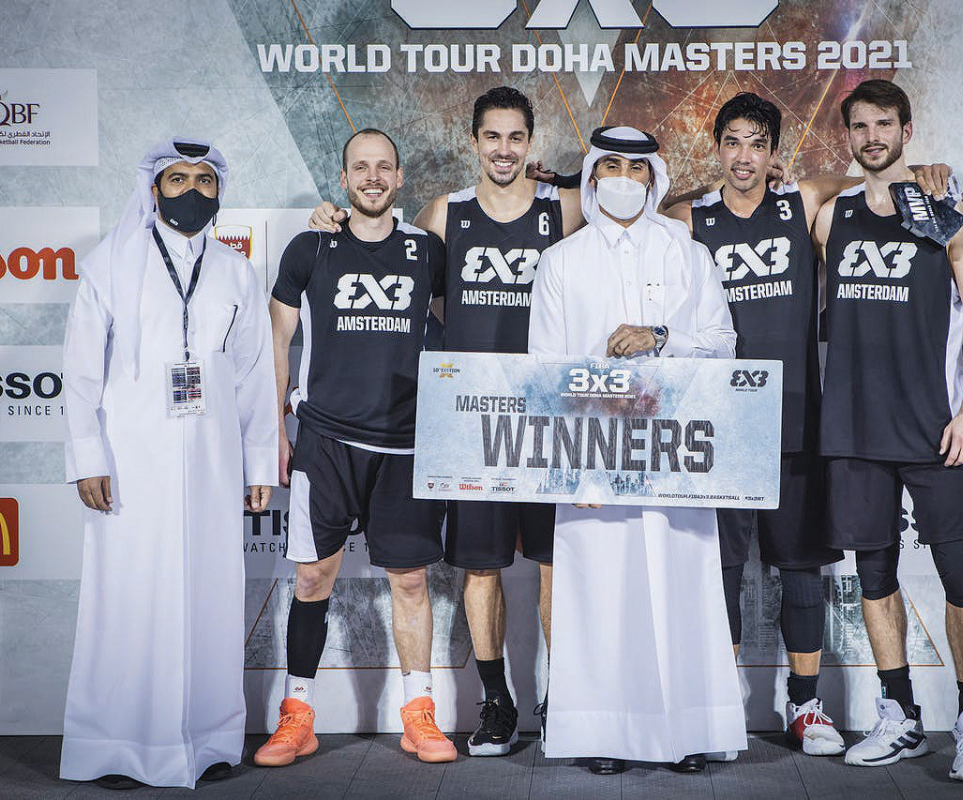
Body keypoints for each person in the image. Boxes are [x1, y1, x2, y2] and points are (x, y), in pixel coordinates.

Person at [664, 92, 952, 758]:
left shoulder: (803, 202)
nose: (743, 156)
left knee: (799, 571)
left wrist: (927, 172)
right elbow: (642, 208)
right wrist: (702, 184)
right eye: (731, 142)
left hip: (796, 417)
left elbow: (873, 177)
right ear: (718, 149)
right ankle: (718, 706)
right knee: (724, 573)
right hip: (719, 426)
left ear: (774, 153)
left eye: (756, 143)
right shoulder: (692, 218)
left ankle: (803, 703)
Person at [308, 87, 584, 755]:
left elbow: (647, 200)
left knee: (554, 566)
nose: (504, 149)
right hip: (475, 423)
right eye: (492, 137)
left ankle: (564, 700)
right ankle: (495, 702)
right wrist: (332, 221)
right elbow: (384, 257)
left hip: (552, 419)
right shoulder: (444, 214)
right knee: (480, 568)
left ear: (531, 142)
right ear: (474, 141)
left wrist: (576, 177)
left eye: (516, 137)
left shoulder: (566, 209)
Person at [60, 138, 278, 789]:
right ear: (153, 190)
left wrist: (259, 461)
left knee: (208, 602)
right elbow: (77, 373)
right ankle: (117, 744)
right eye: (177, 179)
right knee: (125, 600)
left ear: (220, 192)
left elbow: (253, 377)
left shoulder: (237, 272)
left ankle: (205, 741)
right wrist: (86, 456)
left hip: (211, 469)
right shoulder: (111, 264)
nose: (191, 191)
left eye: (205, 181)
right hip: (130, 467)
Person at [528, 125, 744, 775]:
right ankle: (603, 735)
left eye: (637, 168)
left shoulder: (687, 253)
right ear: (592, 177)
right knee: (601, 598)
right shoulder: (562, 261)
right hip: (594, 460)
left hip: (675, 456)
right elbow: (546, 371)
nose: (624, 178)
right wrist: (575, 470)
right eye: (611, 166)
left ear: (655, 179)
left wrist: (660, 336)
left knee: (682, 590)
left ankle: (686, 732)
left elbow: (721, 342)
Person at [812, 79, 963, 783]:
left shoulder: (950, 208)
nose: (871, 137)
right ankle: (901, 716)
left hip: (933, 427)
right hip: (855, 429)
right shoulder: (832, 218)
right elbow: (791, 189)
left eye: (883, 124)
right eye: (859, 127)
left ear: (907, 128)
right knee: (874, 576)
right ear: (849, 136)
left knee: (960, 576)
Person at [253, 128, 452, 767]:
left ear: (399, 178)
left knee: (411, 581)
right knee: (312, 577)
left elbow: (455, 338)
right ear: (344, 180)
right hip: (326, 438)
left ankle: (420, 714)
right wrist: (272, 435)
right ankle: (298, 715)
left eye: (383, 167)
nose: (371, 177)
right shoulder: (311, 247)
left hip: (406, 443)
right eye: (359, 168)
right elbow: (276, 342)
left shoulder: (429, 251)